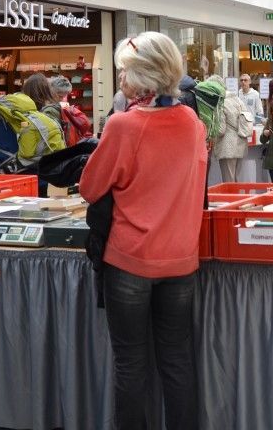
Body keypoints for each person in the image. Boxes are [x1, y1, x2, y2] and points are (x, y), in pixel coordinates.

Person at [78, 31, 207, 430]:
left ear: (144, 75)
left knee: (131, 365)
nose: (121, 80)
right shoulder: (191, 121)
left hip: (131, 259)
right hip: (181, 259)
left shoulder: (125, 125)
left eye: (126, 71)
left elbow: (90, 187)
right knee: (177, 360)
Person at [212, 75, 251, 183]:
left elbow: (220, 130)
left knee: (228, 181)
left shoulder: (221, 103)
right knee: (238, 179)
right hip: (241, 143)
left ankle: (231, 200)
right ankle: (239, 199)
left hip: (227, 147)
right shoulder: (238, 100)